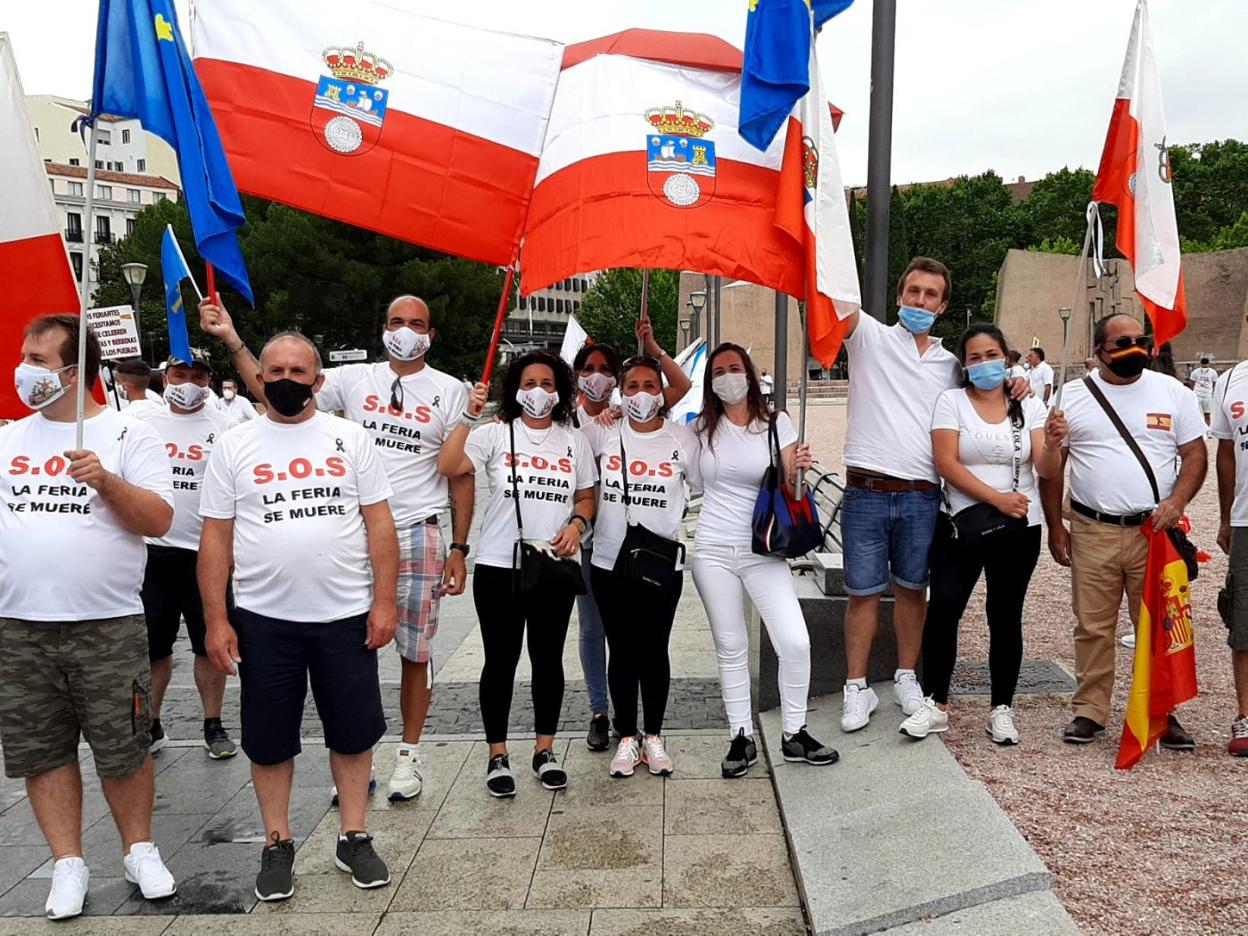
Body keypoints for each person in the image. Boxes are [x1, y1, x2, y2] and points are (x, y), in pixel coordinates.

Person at [200, 294, 471, 804]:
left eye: (417, 324)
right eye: (395, 321)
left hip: (415, 529)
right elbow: (277, 388)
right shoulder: (351, 379)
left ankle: (408, 755)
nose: (405, 330)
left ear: (431, 334)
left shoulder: (452, 390)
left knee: (415, 652)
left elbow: (460, 472)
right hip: (348, 532)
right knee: (349, 656)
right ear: (382, 328)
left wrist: (459, 543)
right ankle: (355, 761)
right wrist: (234, 341)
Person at [199, 331, 397, 900]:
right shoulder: (234, 445)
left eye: (298, 371)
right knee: (268, 738)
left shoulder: (348, 437)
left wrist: (384, 602)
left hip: (345, 615)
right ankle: (277, 842)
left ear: (319, 380)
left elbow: (379, 525)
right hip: (265, 619)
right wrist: (217, 618)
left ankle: (353, 834)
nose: (286, 380)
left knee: (354, 733)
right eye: (275, 371)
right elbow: (215, 539)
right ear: (260, 377)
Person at [0, 314, 177, 919]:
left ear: (75, 371)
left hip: (106, 623)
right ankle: (67, 863)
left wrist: (107, 483)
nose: (25, 371)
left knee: (123, 744)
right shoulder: (9, 439)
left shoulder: (130, 435)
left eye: (39, 361)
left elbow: (158, 520)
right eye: (24, 357)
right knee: (42, 749)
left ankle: (139, 849)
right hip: (20, 627)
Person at [1040, 313, 1206, 747]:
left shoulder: (1173, 393)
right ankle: (1090, 710)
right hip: (1093, 528)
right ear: (1099, 353)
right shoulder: (1071, 398)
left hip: (1155, 531)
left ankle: (1160, 708)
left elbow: (1194, 455)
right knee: (1093, 626)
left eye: (1140, 339)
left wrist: (1177, 502)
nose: (1133, 348)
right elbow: (1051, 471)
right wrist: (1056, 526)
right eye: (1121, 342)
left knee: (1157, 624)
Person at [438, 350, 596, 797]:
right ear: (515, 388)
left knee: (548, 660)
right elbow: (449, 466)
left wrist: (577, 524)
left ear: (560, 390)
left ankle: (545, 750)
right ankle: (497, 753)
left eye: (547, 383)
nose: (538, 392)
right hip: (498, 566)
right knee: (501, 661)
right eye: (529, 383)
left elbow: (586, 497)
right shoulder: (495, 433)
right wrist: (469, 415)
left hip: (554, 564)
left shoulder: (573, 441)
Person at [898, 324, 1062, 744]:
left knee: (1005, 616)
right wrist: (996, 498)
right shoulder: (951, 402)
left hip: (1019, 526)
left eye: (992, 355)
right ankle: (936, 703)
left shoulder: (1029, 405)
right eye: (974, 357)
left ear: (1006, 357)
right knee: (945, 610)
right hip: (960, 523)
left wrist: (1055, 444)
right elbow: (946, 462)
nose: (984, 363)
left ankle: (1001, 708)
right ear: (964, 365)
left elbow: (1045, 469)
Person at [691, 342, 837, 777]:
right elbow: (687, 474)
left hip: (763, 547)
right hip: (713, 548)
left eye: (734, 368)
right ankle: (741, 736)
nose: (727, 377)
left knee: (794, 640)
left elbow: (792, 489)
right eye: (718, 371)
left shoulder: (777, 424)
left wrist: (799, 469)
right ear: (710, 381)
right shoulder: (700, 428)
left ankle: (795, 732)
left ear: (750, 374)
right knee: (730, 644)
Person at [838, 259, 968, 732]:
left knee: (914, 591)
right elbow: (833, 292)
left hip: (920, 494)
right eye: (913, 291)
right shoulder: (868, 336)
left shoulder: (951, 364)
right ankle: (856, 686)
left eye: (931, 294)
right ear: (899, 296)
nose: (920, 301)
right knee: (862, 593)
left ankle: (906, 676)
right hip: (866, 489)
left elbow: (984, 401)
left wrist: (1015, 381)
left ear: (943, 305)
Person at [577, 355, 700, 777]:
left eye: (651, 386)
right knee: (622, 650)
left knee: (654, 649)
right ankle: (627, 736)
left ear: (661, 393)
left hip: (662, 564)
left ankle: (654, 735)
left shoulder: (682, 438)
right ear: (620, 392)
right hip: (610, 561)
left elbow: (705, 485)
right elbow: (578, 481)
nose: (642, 394)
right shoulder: (602, 434)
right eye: (632, 387)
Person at [131, 350, 236, 759]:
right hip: (152, 554)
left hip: (205, 554)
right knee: (153, 648)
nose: (188, 382)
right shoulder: (141, 424)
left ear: (208, 380)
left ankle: (213, 723)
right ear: (165, 377)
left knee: (209, 644)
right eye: (180, 373)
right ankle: (151, 724)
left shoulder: (226, 428)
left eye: (197, 375)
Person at [1211, 353, 1248, 756]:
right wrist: (1224, 516)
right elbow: (1225, 452)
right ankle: (1246, 714)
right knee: (1244, 617)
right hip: (1246, 518)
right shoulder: (1233, 378)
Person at [1190, 356, 1218, 429]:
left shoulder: (1213, 372)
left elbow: (1215, 383)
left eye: (1206, 365)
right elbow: (1192, 382)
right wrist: (1192, 393)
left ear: (1208, 364)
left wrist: (1214, 393)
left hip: (1207, 395)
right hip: (1197, 394)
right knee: (1198, 415)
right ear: (1200, 364)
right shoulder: (1195, 372)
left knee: (1207, 414)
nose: (1204, 367)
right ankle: (1198, 430)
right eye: (1203, 365)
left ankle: (1207, 430)